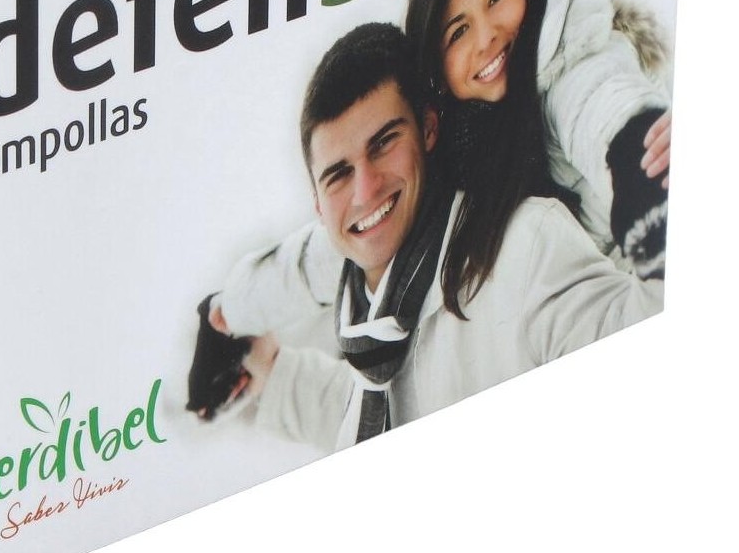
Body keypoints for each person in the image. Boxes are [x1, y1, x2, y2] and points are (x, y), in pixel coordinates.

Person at [202, 0, 669, 359]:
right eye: (458, 32)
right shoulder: (447, 139)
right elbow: (339, 243)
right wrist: (234, 306)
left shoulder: (571, 54)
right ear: (437, 67)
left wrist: (637, 153)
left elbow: (601, 105)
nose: (486, 37)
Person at [238, 23, 662, 451]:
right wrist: (275, 377)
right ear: (317, 204)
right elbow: (381, 412)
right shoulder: (366, 321)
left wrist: (664, 211)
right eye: (339, 174)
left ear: (427, 129)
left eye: (383, 144)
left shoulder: (523, 247)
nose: (365, 192)